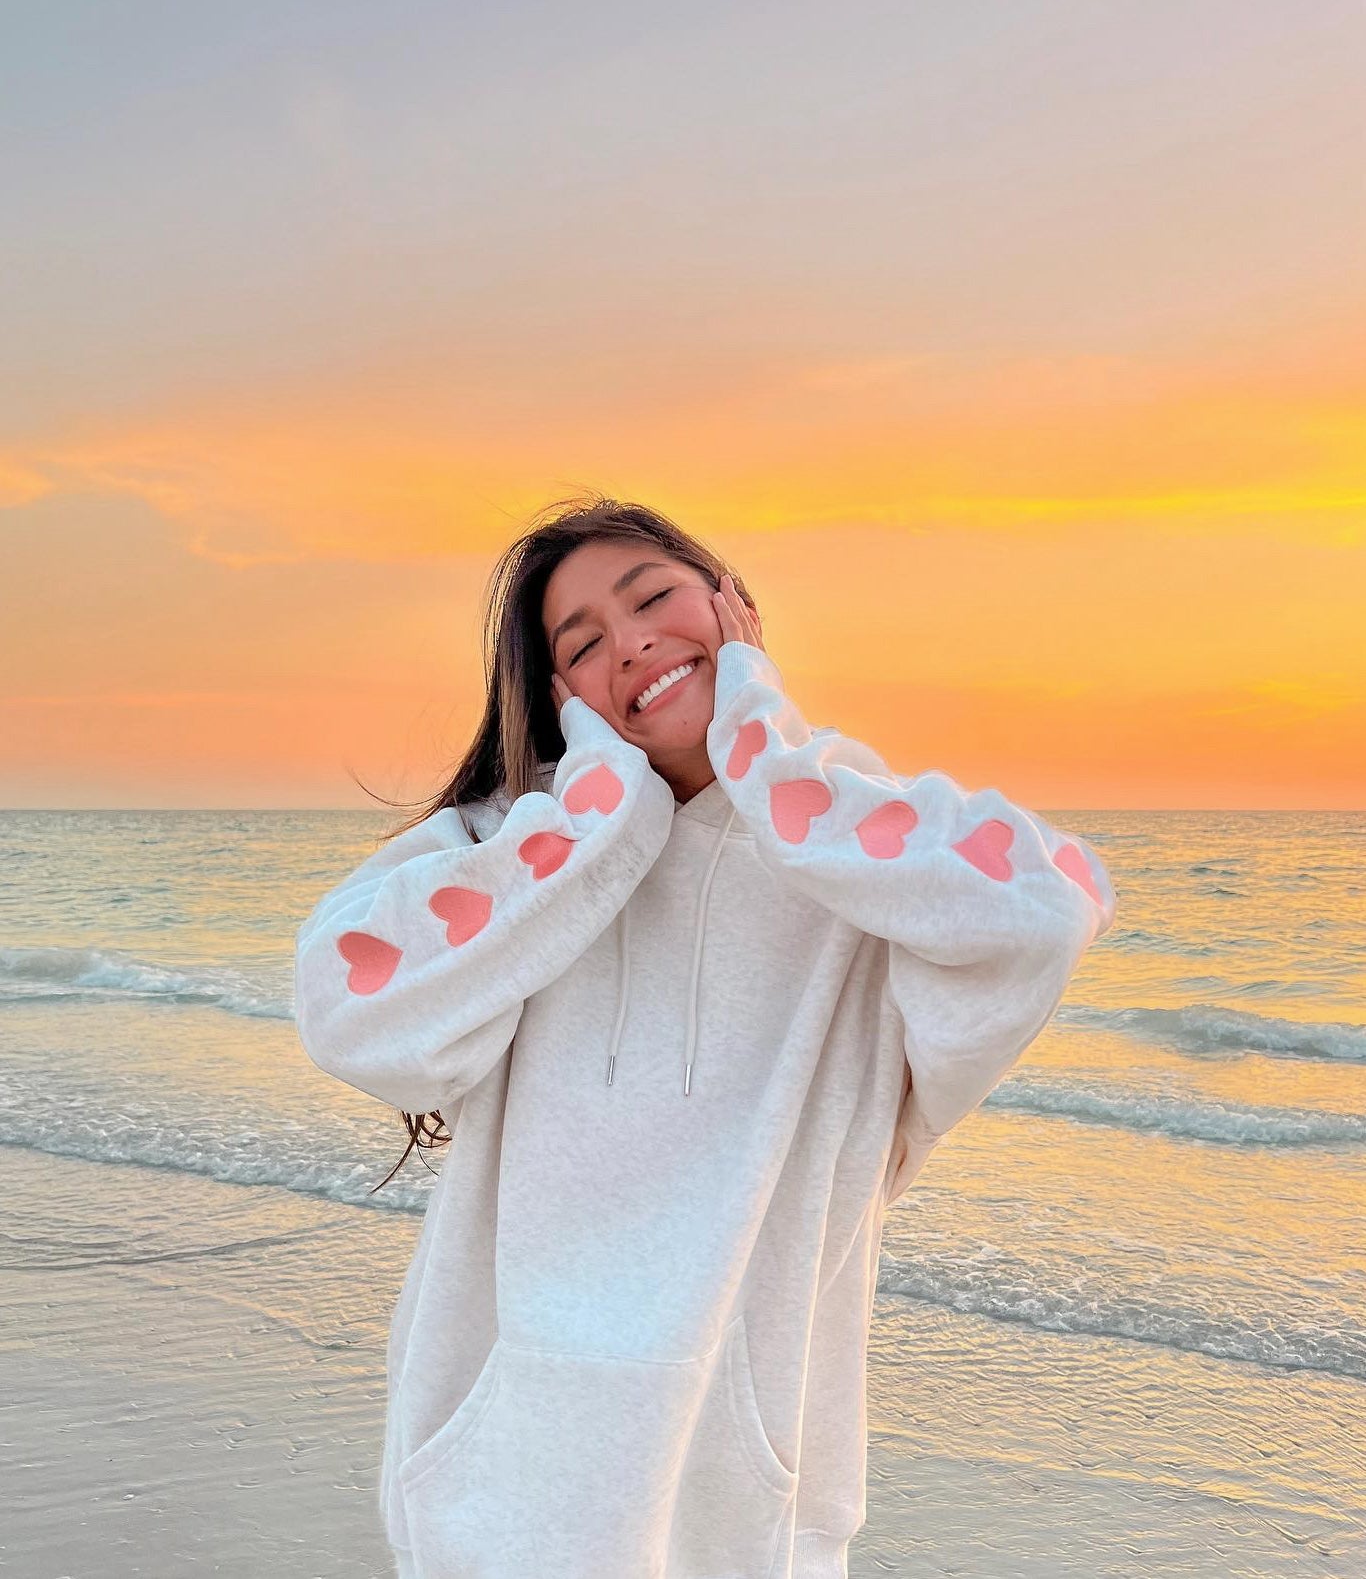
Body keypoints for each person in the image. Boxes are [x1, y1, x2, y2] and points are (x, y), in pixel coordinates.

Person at [293, 495, 1117, 1579]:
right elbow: (350, 1010)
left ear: (735, 605)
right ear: (560, 698)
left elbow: (1043, 911)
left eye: (654, 597)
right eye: (581, 643)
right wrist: (597, 818)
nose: (629, 639)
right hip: (501, 1484)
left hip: (742, 1499)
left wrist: (772, 761)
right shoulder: (509, 844)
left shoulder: (847, 838)